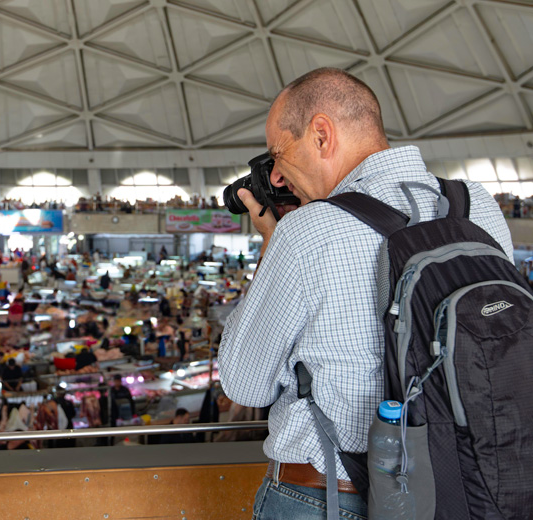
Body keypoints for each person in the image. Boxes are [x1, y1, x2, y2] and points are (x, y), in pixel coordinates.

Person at [217, 68, 513, 519]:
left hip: (328, 496)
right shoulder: (476, 204)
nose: (276, 177)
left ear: (321, 134)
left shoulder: (305, 232)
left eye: (278, 153)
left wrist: (274, 243)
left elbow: (245, 383)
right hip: (461, 486)